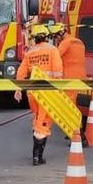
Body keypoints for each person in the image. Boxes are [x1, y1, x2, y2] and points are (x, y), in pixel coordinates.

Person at [14, 24, 63, 166]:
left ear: (33, 38)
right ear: (47, 37)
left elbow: (21, 73)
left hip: (32, 92)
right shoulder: (52, 50)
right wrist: (59, 88)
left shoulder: (30, 52)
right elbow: (58, 71)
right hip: (48, 92)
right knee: (44, 122)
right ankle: (37, 157)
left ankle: (38, 156)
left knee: (37, 120)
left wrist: (18, 89)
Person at [49, 23, 89, 147]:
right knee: (76, 107)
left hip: (69, 80)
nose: (55, 39)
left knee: (69, 109)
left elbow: (55, 57)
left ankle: (79, 136)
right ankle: (73, 131)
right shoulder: (79, 42)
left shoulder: (65, 43)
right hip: (81, 79)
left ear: (60, 33)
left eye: (55, 36)